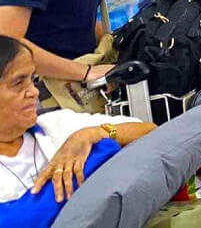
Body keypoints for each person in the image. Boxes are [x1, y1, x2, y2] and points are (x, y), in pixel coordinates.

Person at [0, 36, 156, 205]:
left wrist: (96, 133)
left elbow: (150, 131)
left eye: (32, 80)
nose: (34, 92)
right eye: (18, 83)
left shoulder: (56, 124)